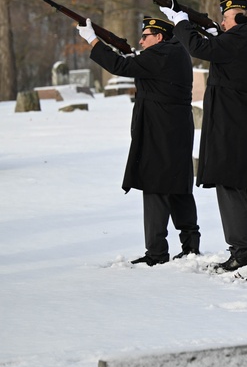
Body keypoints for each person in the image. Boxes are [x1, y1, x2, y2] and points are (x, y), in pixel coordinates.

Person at [161, 0, 247, 272]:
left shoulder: (244, 36)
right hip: (246, 118)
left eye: (225, 18)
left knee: (230, 181)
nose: (222, 23)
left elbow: (199, 47)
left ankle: (241, 250)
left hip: (233, 120)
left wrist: (181, 23)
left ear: (239, 18)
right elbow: (220, 50)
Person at [77, 16, 200, 265]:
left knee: (155, 187)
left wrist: (92, 40)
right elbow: (133, 65)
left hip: (160, 132)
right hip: (171, 130)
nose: (141, 42)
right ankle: (190, 246)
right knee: (178, 187)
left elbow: (120, 67)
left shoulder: (163, 53)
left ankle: (156, 252)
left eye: (146, 37)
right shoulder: (173, 52)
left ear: (159, 37)